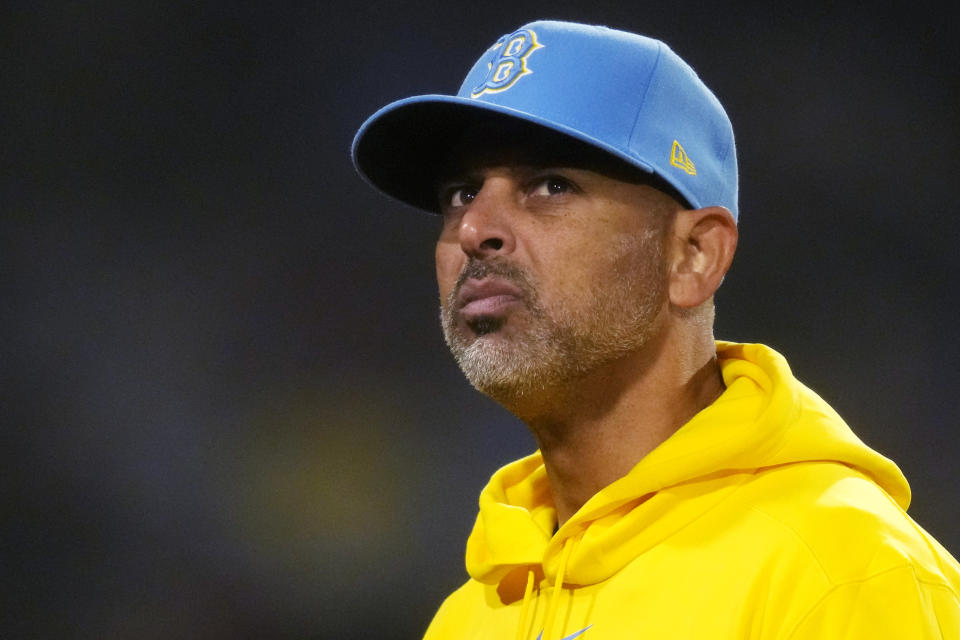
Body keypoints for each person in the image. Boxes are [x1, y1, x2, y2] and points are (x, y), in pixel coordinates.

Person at [351, 19, 960, 640]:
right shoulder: (470, 617)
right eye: (459, 194)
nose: (475, 228)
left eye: (550, 185)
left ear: (694, 255)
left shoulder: (839, 574)